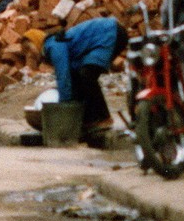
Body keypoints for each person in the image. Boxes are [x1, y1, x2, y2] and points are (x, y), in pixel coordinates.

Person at [23, 17, 128, 147]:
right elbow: (71, 76)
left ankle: (103, 118)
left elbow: (63, 75)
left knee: (87, 75)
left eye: (29, 48)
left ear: (37, 42)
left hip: (109, 32)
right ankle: (89, 120)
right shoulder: (55, 45)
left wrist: (65, 106)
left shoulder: (53, 45)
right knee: (80, 76)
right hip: (109, 33)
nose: (29, 54)